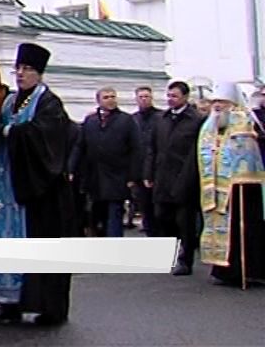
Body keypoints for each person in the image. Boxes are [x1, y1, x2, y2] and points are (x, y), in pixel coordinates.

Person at [0, 43, 73, 325]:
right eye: (18, 68)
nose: (21, 74)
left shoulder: (49, 102)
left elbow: (48, 137)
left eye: (27, 69)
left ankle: (49, 308)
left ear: (40, 73)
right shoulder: (11, 101)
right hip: (7, 186)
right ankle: (9, 302)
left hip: (39, 191)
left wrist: (12, 131)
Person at [196, 82, 265, 287]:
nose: (217, 106)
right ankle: (225, 271)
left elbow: (249, 151)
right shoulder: (210, 126)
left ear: (232, 103)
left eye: (222, 102)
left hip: (242, 187)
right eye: (215, 102)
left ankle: (249, 269)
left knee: (245, 229)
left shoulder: (243, 121)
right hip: (217, 188)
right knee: (222, 228)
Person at [144, 81, 203, 276]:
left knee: (184, 221)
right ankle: (171, 252)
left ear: (185, 97)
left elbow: (196, 152)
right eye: (169, 96)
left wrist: (190, 176)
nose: (170, 99)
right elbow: (152, 148)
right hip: (162, 176)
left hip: (185, 177)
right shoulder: (161, 119)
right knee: (162, 216)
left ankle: (185, 260)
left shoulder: (196, 120)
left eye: (175, 96)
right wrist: (148, 173)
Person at [70, 88, 142, 237]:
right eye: (106, 97)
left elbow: (136, 149)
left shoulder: (126, 120)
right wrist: (71, 169)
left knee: (114, 213)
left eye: (113, 97)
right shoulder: (91, 121)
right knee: (97, 215)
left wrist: (132, 176)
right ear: (99, 101)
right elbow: (80, 146)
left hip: (118, 176)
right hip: (95, 178)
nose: (110, 100)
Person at [132, 86, 162, 234]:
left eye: (147, 96)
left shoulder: (161, 117)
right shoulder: (133, 119)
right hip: (139, 170)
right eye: (141, 97)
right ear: (136, 99)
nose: (144, 99)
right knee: (145, 206)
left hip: (157, 170)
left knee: (159, 208)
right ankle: (149, 232)